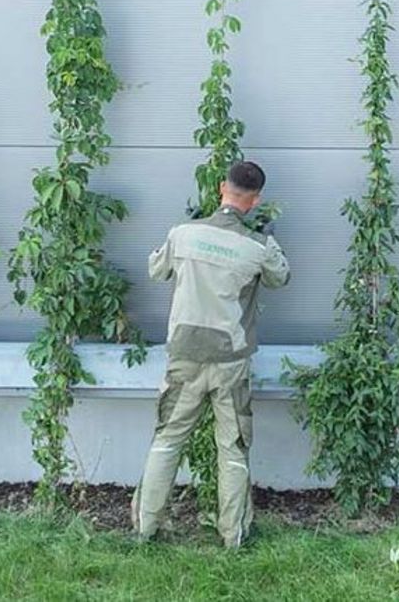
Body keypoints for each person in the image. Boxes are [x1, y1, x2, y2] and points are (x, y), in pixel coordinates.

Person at [133, 160, 290, 548]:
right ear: (255, 201)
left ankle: (145, 529)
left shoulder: (182, 234)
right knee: (232, 448)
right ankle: (232, 536)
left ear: (222, 187)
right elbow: (280, 278)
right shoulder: (258, 246)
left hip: (184, 358)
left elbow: (156, 270)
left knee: (167, 440)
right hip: (230, 363)